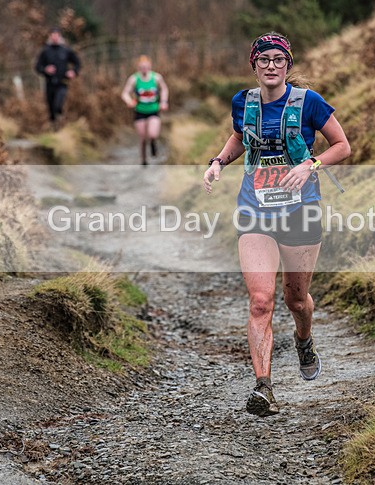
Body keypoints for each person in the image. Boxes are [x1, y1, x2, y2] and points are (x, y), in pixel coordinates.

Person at [202, 32, 351, 417]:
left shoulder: (308, 103)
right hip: (255, 211)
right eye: (264, 59)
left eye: (278, 60)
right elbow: (240, 138)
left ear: (288, 65)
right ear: (254, 65)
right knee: (261, 301)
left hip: (301, 211)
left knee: (295, 300)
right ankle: (264, 387)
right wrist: (218, 162)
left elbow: (342, 146)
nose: (271, 66)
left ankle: (304, 339)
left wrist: (309, 165)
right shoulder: (244, 102)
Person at [121, 55, 169, 165]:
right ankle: (143, 160)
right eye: (142, 67)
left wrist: (164, 102)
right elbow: (124, 93)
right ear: (138, 67)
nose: (144, 69)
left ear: (150, 66)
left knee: (152, 134)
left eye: (146, 66)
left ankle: (153, 144)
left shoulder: (156, 78)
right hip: (139, 111)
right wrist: (129, 101)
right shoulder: (134, 79)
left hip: (153, 110)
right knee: (142, 137)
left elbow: (164, 89)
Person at [34, 28, 81, 127]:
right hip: (49, 83)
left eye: (57, 35)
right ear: (50, 36)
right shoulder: (45, 51)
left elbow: (77, 63)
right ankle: (54, 127)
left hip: (62, 82)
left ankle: (61, 121)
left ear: (60, 36)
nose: (55, 37)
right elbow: (37, 67)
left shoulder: (66, 50)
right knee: (50, 107)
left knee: (58, 104)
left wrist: (73, 72)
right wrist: (45, 69)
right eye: (53, 35)